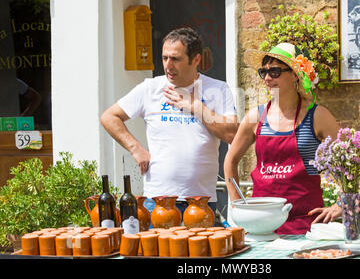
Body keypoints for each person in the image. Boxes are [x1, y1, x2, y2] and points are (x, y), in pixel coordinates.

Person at [101, 27, 239, 222]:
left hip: (200, 201)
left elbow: (231, 134)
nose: (168, 65)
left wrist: (196, 107)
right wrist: (135, 148)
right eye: (165, 58)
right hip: (158, 201)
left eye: (175, 59)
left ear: (196, 60)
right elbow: (109, 117)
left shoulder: (218, 89)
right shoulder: (151, 88)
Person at [224, 42, 342, 235]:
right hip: (261, 226)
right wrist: (238, 205)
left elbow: (351, 160)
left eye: (275, 72)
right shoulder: (256, 117)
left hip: (306, 226)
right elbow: (230, 160)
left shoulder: (317, 116)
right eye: (264, 72)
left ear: (295, 74)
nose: (267, 78)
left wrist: (341, 204)